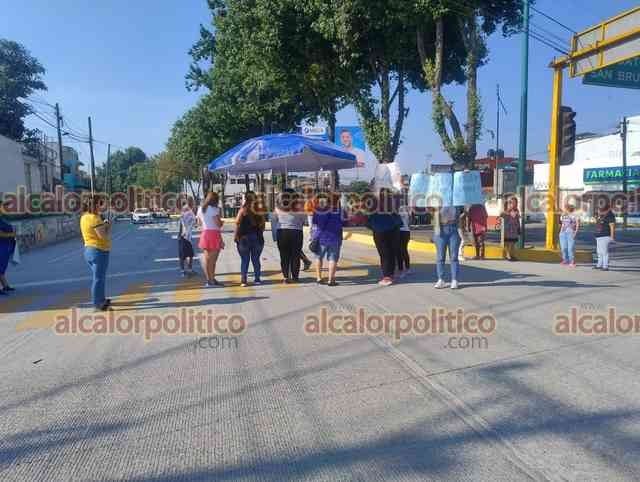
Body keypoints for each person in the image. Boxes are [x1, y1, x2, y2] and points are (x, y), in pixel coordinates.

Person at [311, 192, 350, 286]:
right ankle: (331, 280)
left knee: (318, 257)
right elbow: (346, 223)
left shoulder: (319, 209)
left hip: (321, 237)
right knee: (333, 259)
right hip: (335, 238)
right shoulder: (341, 211)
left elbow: (314, 222)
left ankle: (319, 278)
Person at [80, 197, 112, 311]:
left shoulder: (84, 217)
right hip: (98, 251)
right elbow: (103, 235)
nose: (101, 206)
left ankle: (101, 299)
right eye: (100, 204)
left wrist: (103, 223)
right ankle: (98, 304)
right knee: (98, 278)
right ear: (94, 206)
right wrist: (108, 225)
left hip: (89, 250)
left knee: (99, 278)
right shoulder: (94, 219)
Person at [366, 189, 402, 286]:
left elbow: (368, 215)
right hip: (394, 228)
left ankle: (387, 277)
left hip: (380, 230)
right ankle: (391, 274)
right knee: (391, 252)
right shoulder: (394, 200)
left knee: (384, 254)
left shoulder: (374, 202)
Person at [272, 189, 307, 283]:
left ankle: (286, 277)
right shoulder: (299, 208)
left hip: (282, 232)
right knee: (295, 256)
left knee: (284, 256)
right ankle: (295, 277)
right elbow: (304, 220)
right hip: (296, 232)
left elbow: (274, 220)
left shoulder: (278, 208)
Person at [234, 191, 266, 287]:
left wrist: (236, 235)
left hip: (244, 238)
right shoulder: (259, 210)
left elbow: (237, 222)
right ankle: (257, 279)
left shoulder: (243, 210)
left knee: (245, 260)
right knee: (256, 259)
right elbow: (263, 225)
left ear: (246, 199)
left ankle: (244, 281)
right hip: (257, 237)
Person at [197, 192, 225, 287]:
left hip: (205, 233)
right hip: (214, 234)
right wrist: (222, 222)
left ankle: (209, 280)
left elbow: (199, 223)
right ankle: (212, 280)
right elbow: (218, 224)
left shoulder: (200, 209)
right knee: (213, 260)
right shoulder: (214, 209)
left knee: (207, 259)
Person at [432, 205, 462, 290]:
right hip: (441, 230)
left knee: (454, 257)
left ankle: (454, 280)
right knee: (440, 257)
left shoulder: (456, 204)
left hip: (453, 230)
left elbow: (459, 219)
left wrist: (461, 234)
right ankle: (441, 279)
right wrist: (436, 232)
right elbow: (435, 215)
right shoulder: (439, 203)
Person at [0, 204, 17, 295]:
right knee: (0, 266)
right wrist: (12, 235)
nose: (5, 208)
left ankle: (5, 285)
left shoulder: (3, 218)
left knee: (2, 267)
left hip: (6, 246)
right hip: (1, 246)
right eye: (3, 206)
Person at [594, 202, 616, 271]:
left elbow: (612, 226)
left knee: (604, 252)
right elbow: (598, 224)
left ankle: (605, 266)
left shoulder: (610, 215)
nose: (599, 209)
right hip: (599, 235)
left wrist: (612, 237)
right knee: (599, 251)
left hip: (605, 235)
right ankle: (599, 265)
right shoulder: (601, 214)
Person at [559, 203, 580, 267]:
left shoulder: (575, 215)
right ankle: (565, 260)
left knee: (570, 248)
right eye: (565, 208)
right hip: (563, 233)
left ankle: (572, 261)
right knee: (563, 248)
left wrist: (575, 233)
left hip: (570, 233)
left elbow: (577, 225)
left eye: (566, 208)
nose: (565, 209)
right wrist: (560, 232)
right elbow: (561, 224)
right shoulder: (563, 215)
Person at [178, 203, 196, 277]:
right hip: (183, 237)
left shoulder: (191, 216)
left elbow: (194, 224)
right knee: (182, 256)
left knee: (190, 254)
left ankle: (189, 269)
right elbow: (181, 227)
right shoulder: (183, 217)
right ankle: (183, 270)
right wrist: (179, 235)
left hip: (188, 238)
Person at [501, 197, 521, 261]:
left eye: (515, 203)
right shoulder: (507, 211)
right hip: (508, 230)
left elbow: (517, 220)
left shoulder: (516, 211)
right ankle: (508, 255)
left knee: (513, 244)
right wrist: (507, 210)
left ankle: (512, 255)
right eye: (512, 203)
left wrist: (518, 228)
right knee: (508, 244)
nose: (514, 204)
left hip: (514, 230)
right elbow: (501, 214)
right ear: (509, 204)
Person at [396, 203, 411, 278]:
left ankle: (403, 269)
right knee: (400, 250)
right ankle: (403, 269)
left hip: (403, 232)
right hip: (404, 232)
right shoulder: (406, 209)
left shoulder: (402, 210)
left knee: (402, 250)